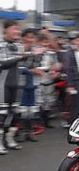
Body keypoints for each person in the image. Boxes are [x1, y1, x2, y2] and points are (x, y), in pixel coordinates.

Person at [0, 21, 43, 154]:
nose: (17, 32)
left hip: (17, 84)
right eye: (14, 29)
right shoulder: (1, 45)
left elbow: (26, 64)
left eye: (18, 30)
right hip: (3, 84)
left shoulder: (19, 46)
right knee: (2, 113)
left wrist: (34, 55)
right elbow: (2, 64)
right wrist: (22, 56)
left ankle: (9, 139)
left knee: (14, 113)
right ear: (5, 30)